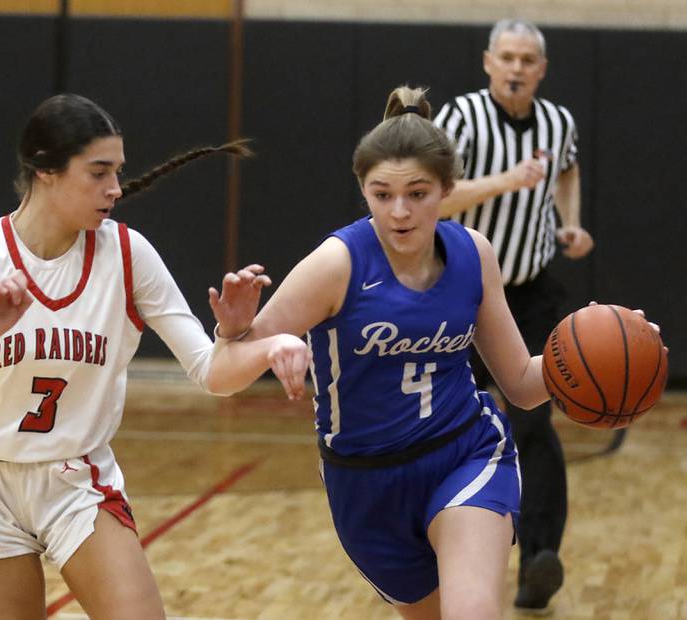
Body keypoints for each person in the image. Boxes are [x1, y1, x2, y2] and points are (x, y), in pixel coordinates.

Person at [0, 93, 272, 620]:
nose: (116, 188)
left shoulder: (129, 254)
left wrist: (235, 335)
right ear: (46, 169)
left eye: (118, 171)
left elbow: (212, 375)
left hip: (75, 479)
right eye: (98, 172)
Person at [204, 84, 556, 620]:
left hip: (466, 452)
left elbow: (524, 386)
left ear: (446, 189)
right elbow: (219, 376)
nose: (399, 211)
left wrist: (582, 353)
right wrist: (253, 340)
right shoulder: (337, 264)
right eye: (381, 193)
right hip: (364, 482)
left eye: (418, 193)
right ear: (363, 190)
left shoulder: (474, 254)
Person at [433, 18, 595, 613]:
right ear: (487, 61)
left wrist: (567, 221)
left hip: (529, 293)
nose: (518, 67)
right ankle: (440, 559)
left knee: (533, 425)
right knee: (447, 426)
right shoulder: (459, 117)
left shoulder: (559, 123)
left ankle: (540, 559)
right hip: (455, 290)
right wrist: (510, 180)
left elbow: (568, 167)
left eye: (528, 59)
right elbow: (437, 196)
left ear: (542, 69)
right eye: (508, 57)